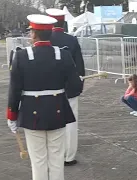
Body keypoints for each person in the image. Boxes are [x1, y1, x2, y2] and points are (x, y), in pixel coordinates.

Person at [6, 14, 83, 180]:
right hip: (57, 111)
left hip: (31, 113)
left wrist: (12, 115)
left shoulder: (21, 56)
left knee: (38, 160)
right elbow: (76, 85)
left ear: (33, 34)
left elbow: (14, 89)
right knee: (56, 159)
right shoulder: (64, 55)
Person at [46, 8, 85, 166]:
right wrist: (78, 87)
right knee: (70, 123)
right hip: (70, 88)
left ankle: (54, 155)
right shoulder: (72, 40)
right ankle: (69, 156)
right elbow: (80, 68)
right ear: (64, 22)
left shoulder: (44, 39)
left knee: (51, 122)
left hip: (48, 88)